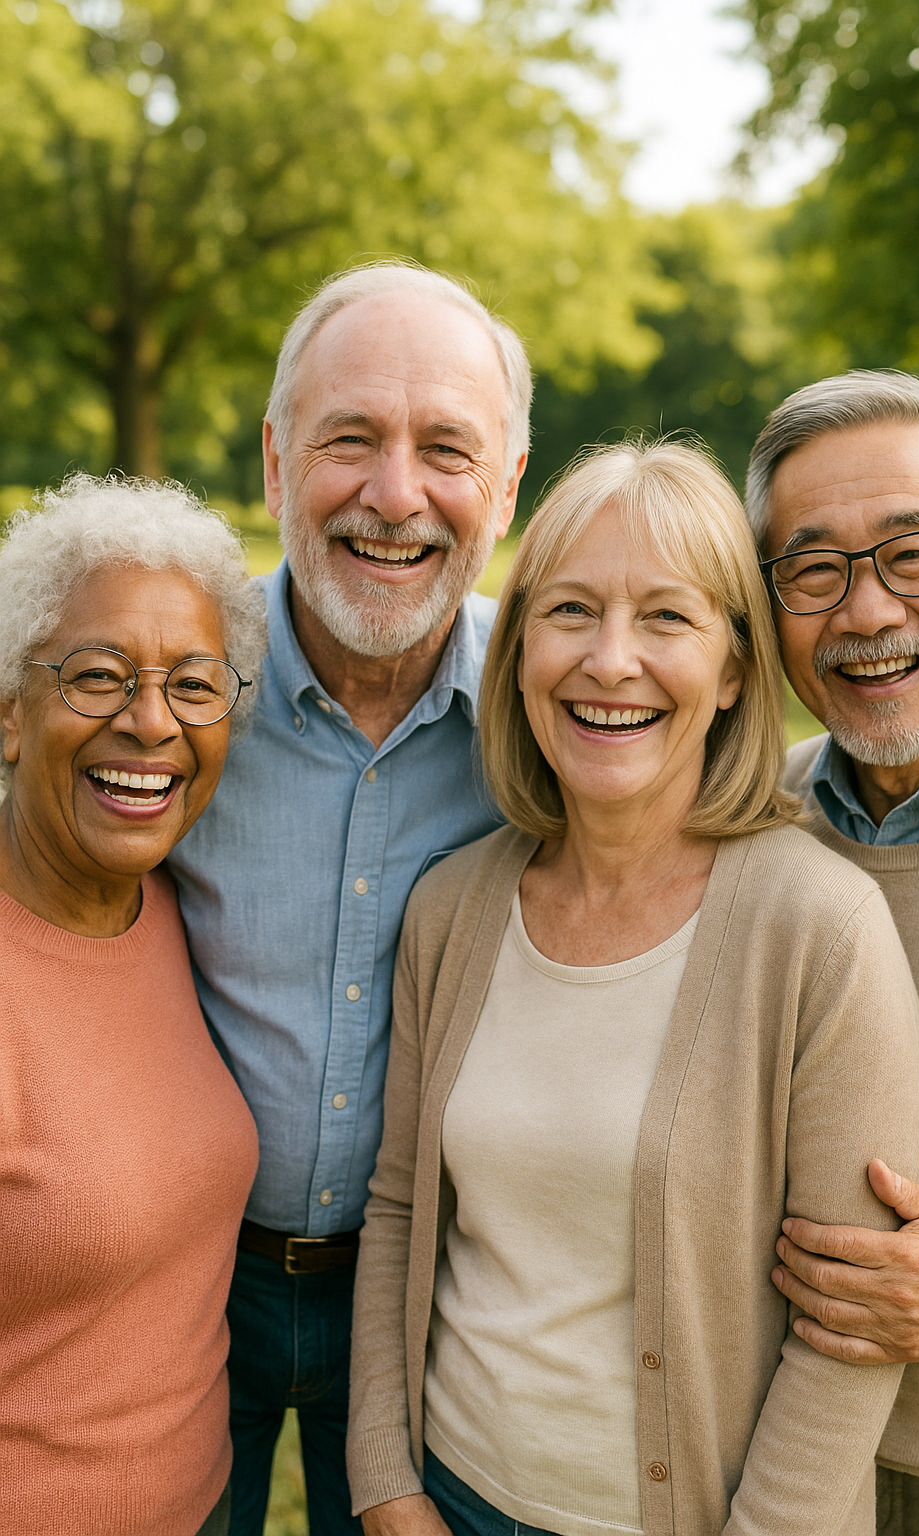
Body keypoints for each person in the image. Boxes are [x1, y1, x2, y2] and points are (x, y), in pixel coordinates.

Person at [346, 441, 919, 1536]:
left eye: (665, 618)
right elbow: (399, 1211)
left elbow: (851, 1331)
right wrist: (386, 1480)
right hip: (453, 1499)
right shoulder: (451, 910)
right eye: (569, 611)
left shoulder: (819, 930)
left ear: (732, 670)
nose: (609, 662)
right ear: (515, 652)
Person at [166, 260, 530, 1534]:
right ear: (275, 463)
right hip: (173, 1282)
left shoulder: (564, 726)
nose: (394, 494)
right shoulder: (169, 706)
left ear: (505, 488)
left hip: (433, 1296)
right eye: (349, 440)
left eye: (446, 449)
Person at [746, 370, 919, 1534]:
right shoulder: (753, 827)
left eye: (915, 554)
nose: (865, 614)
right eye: (814, 570)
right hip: (783, 1466)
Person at [0, 474, 265, 1536]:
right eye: (98, 675)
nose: (150, 722)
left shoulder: (164, 910)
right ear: (9, 714)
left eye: (194, 686)